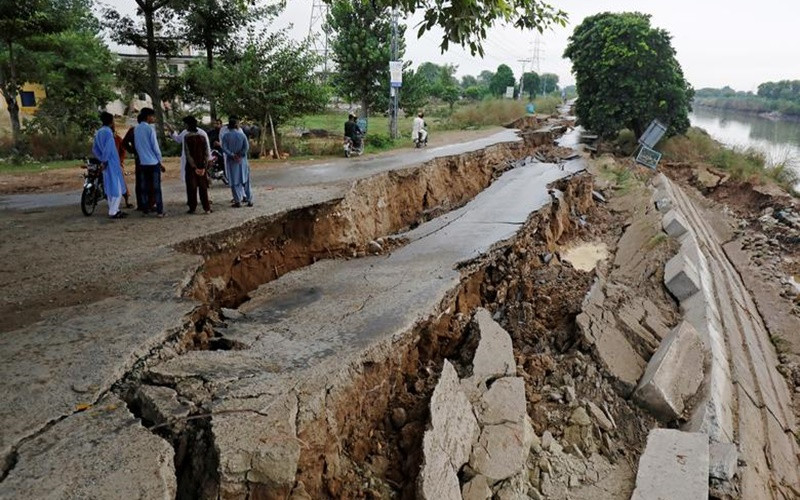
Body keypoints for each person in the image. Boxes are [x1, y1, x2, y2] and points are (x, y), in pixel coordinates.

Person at [92, 112, 127, 219]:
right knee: (117, 188)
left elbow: (94, 148)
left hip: (105, 162)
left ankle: (115, 209)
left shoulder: (98, 132)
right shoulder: (108, 133)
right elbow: (109, 148)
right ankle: (113, 211)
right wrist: (105, 160)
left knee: (110, 186)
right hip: (111, 162)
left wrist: (101, 158)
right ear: (111, 121)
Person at [134, 107, 166, 217]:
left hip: (142, 162)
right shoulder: (150, 129)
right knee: (156, 188)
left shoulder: (136, 129)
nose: (153, 118)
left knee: (144, 187)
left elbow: (137, 146)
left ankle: (145, 209)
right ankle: (160, 211)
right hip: (153, 162)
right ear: (148, 117)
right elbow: (155, 147)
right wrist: (160, 161)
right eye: (152, 116)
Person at [177, 116, 212, 214]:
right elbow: (206, 152)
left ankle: (192, 207)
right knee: (203, 187)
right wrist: (204, 167)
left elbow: (188, 154)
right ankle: (207, 208)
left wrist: (195, 167)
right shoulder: (202, 136)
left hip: (191, 166)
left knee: (191, 187)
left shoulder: (187, 137)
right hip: (202, 164)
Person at [221, 116, 252, 207]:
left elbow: (224, 148)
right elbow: (246, 148)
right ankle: (249, 200)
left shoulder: (225, 136)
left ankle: (237, 201)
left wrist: (232, 155)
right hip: (242, 161)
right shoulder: (242, 135)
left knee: (234, 181)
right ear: (236, 125)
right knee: (246, 180)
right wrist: (240, 155)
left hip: (232, 161)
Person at [111, 122, 133, 208]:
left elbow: (123, 151)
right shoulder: (111, 138)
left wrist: (120, 161)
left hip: (116, 163)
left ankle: (126, 199)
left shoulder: (117, 139)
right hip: (108, 163)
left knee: (121, 181)